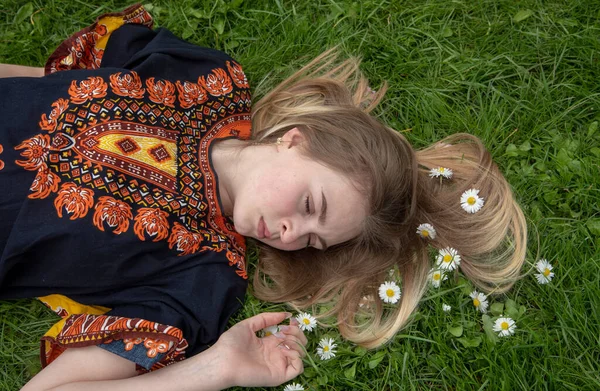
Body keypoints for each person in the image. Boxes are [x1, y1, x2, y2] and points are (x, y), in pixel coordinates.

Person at [0, 4, 527, 390]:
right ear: (295, 140)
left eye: (314, 240)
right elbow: (53, 83)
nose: (292, 234)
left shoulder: (203, 276)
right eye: (309, 205)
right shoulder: (207, 78)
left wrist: (216, 369)